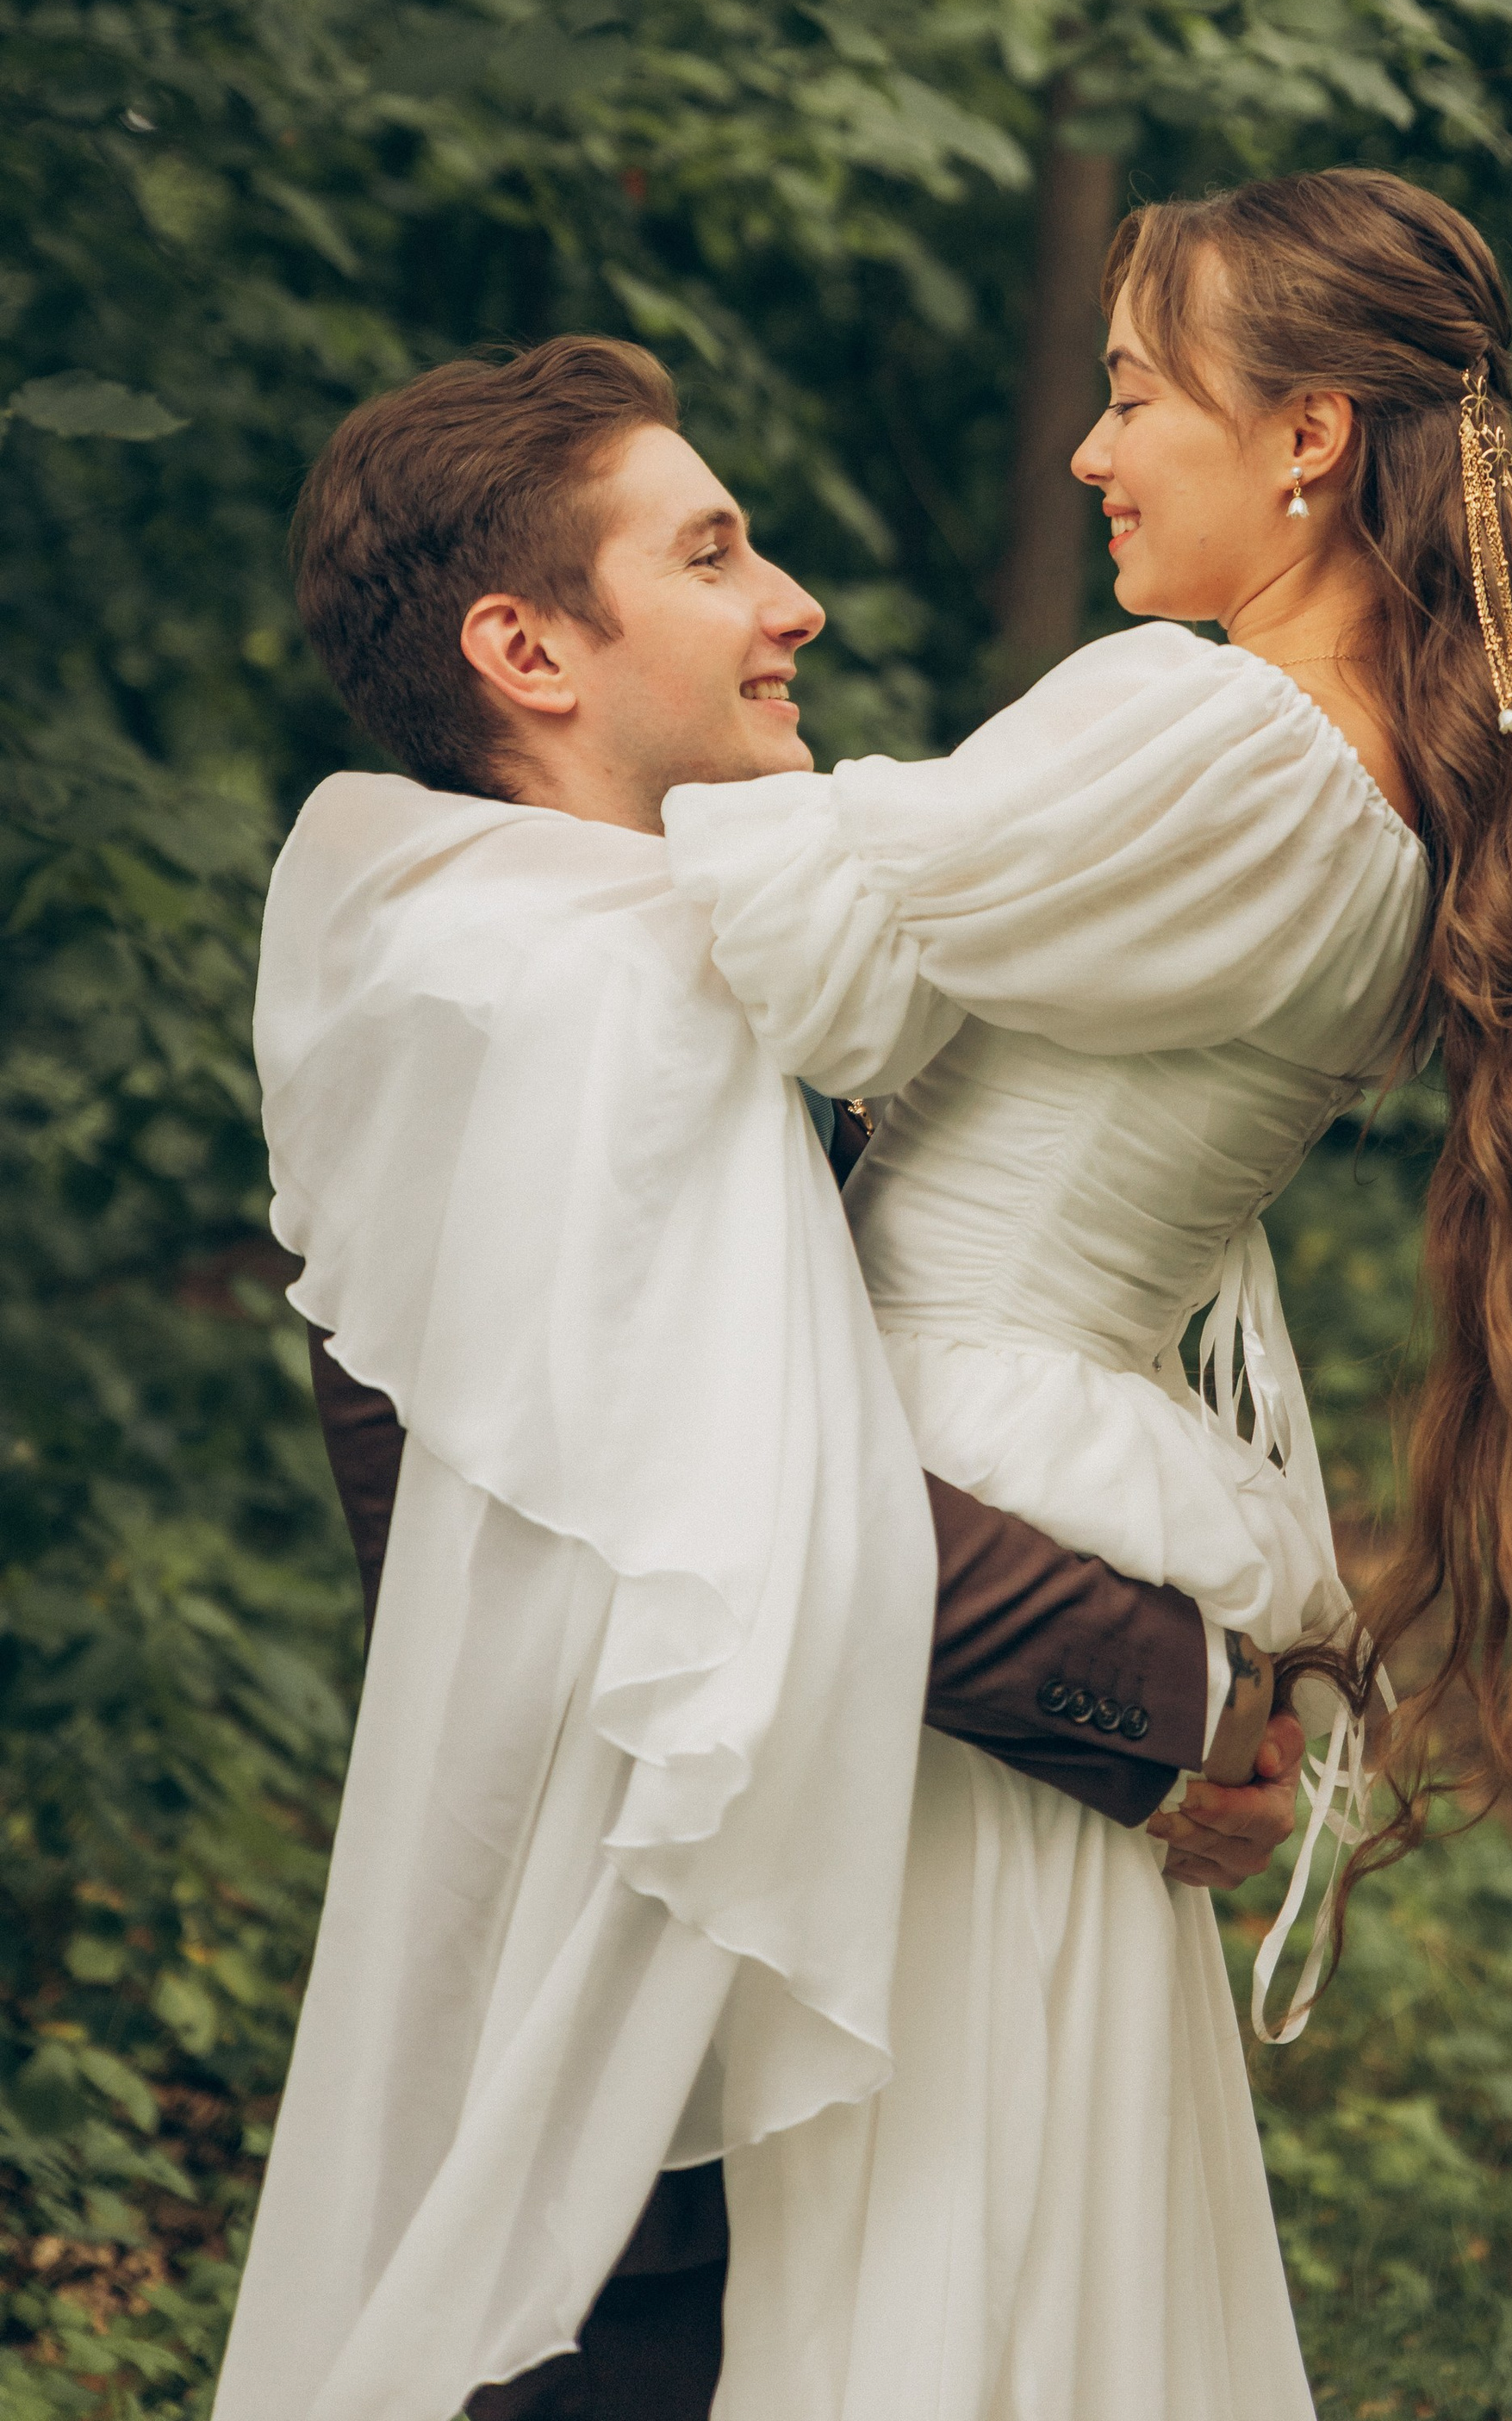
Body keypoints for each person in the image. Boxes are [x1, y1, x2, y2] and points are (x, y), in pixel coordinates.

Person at [650, 167, 1512, 2421]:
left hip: (959, 1469)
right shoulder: (1368, 786)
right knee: (986, 2186)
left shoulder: (1210, 736)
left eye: (1131, 394)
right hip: (1054, 1471)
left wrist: (522, 799)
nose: (1093, 452)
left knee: (926, 2211)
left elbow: (783, 934)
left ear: (1305, 436)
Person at [212, 340, 1302, 2421]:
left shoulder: (544, 949)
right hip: (631, 1935)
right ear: (528, 648)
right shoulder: (548, 1003)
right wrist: (1183, 1700)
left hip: (704, 1877)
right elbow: (742, 1509)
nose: (789, 601)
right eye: (710, 553)